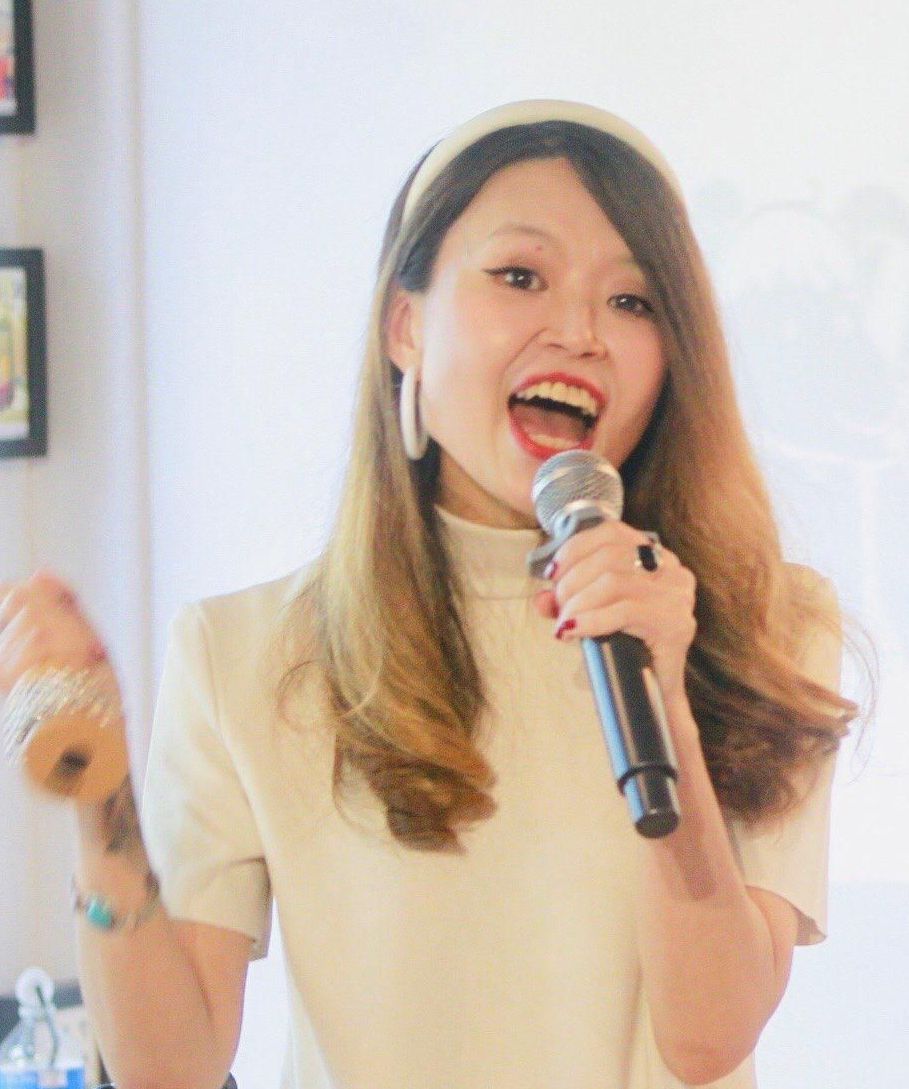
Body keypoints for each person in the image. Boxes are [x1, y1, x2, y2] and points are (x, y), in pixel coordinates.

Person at [0, 100, 857, 1089]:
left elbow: (708, 1040)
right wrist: (99, 803)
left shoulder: (764, 625)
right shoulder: (242, 652)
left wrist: (664, 699)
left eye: (634, 302)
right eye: (520, 277)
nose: (580, 331)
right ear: (405, 326)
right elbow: (171, 1069)